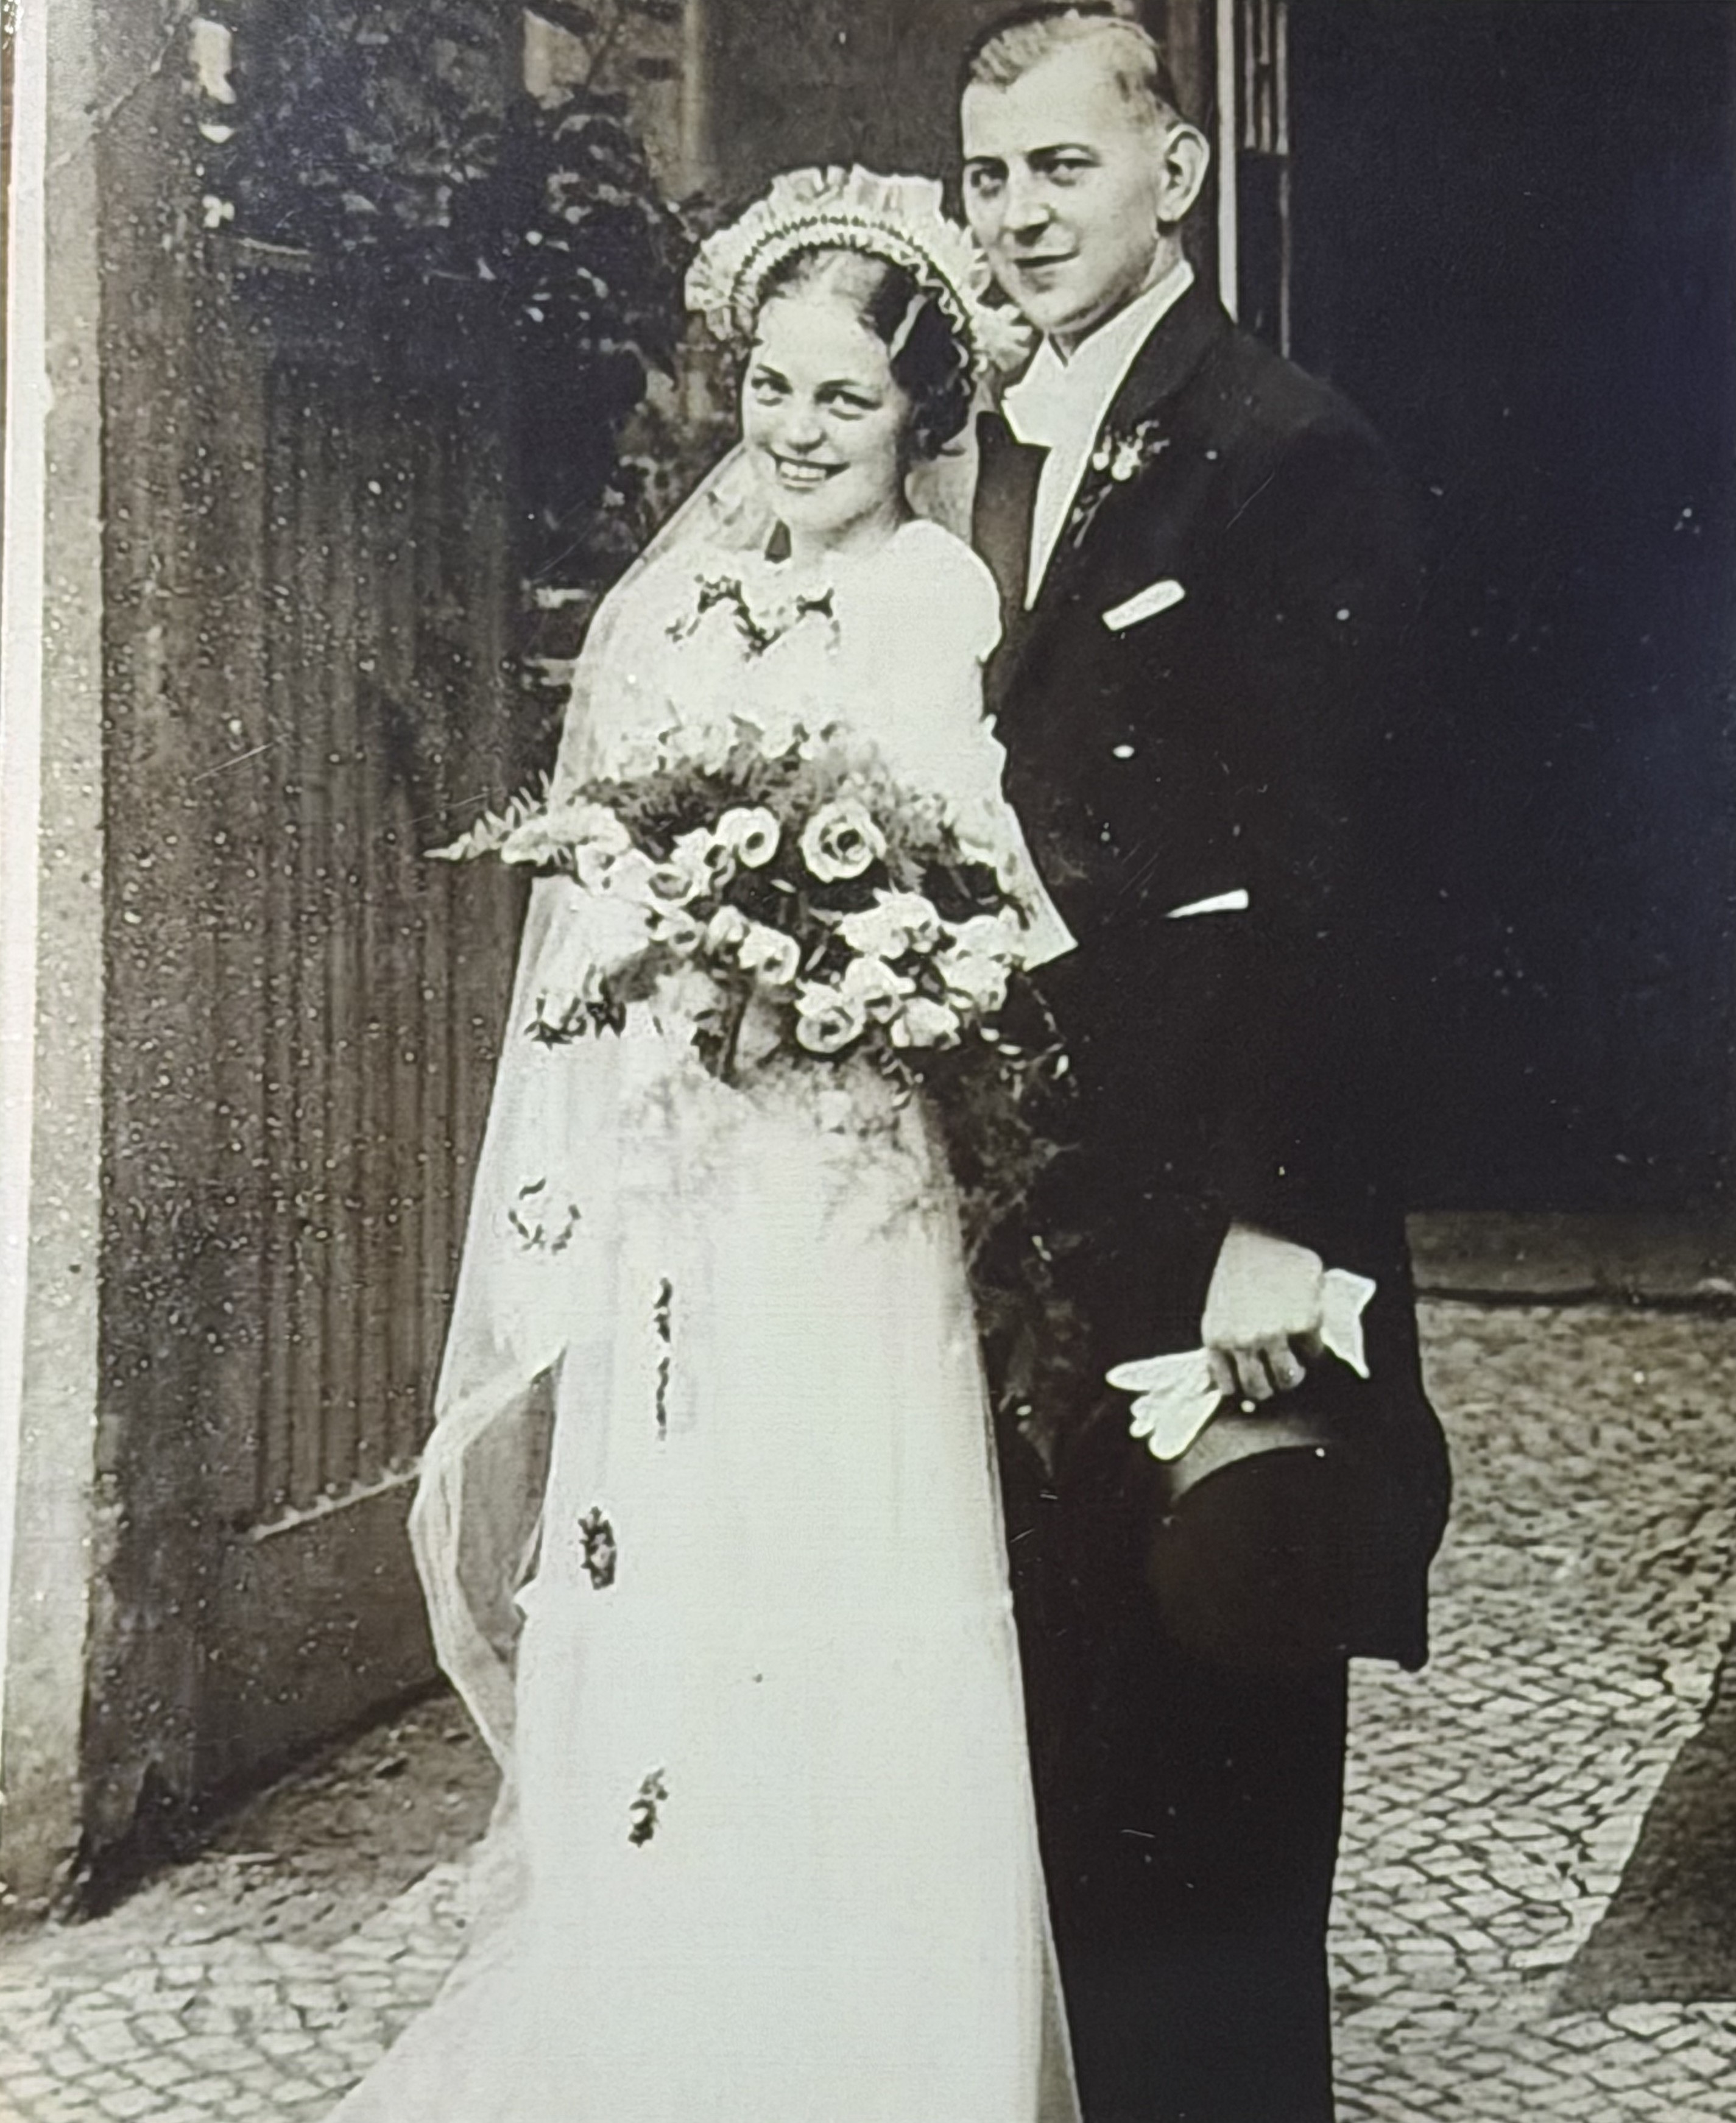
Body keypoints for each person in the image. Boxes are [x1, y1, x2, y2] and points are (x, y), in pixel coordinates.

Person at [325, 168, 1081, 2123]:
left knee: (848, 1553)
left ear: (919, 414)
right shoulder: (673, 607)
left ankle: (882, 2054)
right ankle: (669, 2020)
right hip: (689, 1163)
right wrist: (669, 960)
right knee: (681, 1544)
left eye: (844, 398)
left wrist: (835, 968)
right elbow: (600, 877)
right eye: (771, 387)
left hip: (847, 1170)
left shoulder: (934, 598)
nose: (797, 432)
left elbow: (974, 887)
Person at [959, 9, 1452, 2121]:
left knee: (1215, 1715)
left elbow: (1347, 874)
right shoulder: (977, 447)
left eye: (1061, 167)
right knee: (1066, 1724)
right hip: (1025, 1198)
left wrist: (1280, 1215)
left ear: (1172, 174)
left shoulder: (1279, 450)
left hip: (1211, 1203)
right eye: (988, 177)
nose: (1019, 215)